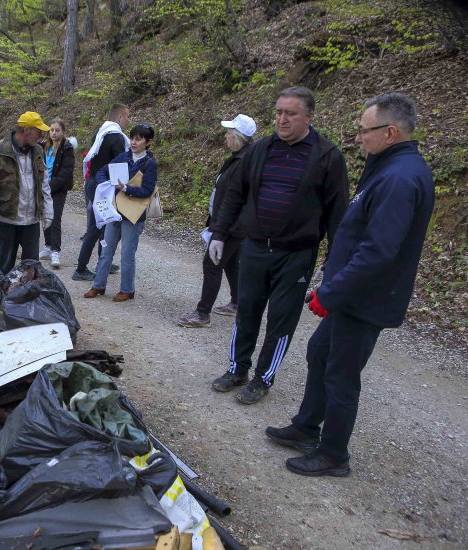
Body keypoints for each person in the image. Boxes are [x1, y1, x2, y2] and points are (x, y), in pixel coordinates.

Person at [265, 93, 434, 477]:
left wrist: (332, 292)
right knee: (319, 352)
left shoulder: (400, 178)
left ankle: (334, 453)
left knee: (341, 373)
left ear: (390, 132)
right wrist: (333, 281)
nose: (357, 137)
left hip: (365, 298)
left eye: (364, 130)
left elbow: (377, 251)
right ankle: (307, 426)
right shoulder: (387, 167)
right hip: (352, 293)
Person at [209, 86, 349, 404]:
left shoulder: (327, 157)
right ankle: (237, 369)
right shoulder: (260, 150)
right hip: (256, 247)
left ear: (309, 116)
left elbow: (337, 214)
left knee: (281, 319)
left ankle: (263, 378)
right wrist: (219, 232)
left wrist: (333, 262)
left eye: (290, 113)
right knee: (247, 312)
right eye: (278, 112)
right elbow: (235, 194)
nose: (282, 119)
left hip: (296, 254)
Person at [178, 114, 256, 328]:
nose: (226, 136)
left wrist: (223, 227)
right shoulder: (239, 158)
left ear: (238, 137)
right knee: (230, 262)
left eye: (229, 132)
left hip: (231, 226)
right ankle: (237, 302)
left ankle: (203, 314)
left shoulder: (243, 162)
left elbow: (237, 199)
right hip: (231, 224)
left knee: (211, 264)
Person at [83, 124, 157, 302]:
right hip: (115, 210)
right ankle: (98, 285)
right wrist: (105, 185)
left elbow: (147, 190)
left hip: (133, 214)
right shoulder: (122, 157)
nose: (133, 142)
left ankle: (127, 289)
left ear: (148, 142)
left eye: (138, 139)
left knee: (127, 253)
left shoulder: (149, 164)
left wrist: (126, 188)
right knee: (106, 249)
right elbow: (102, 171)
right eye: (132, 138)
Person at [0, 111, 54, 274]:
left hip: (31, 221)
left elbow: (44, 184)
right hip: (6, 219)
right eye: (39, 131)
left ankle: (28, 297)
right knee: (5, 265)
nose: (41, 135)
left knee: (32, 267)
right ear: (27, 130)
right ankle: (1, 295)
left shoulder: (37, 151)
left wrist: (48, 212)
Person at [72, 103, 130, 281]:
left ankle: (102, 262)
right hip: (103, 187)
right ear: (120, 117)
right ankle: (81, 269)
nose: (129, 120)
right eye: (127, 116)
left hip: (93, 183)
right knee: (97, 228)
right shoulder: (117, 138)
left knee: (104, 226)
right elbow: (119, 167)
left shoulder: (101, 132)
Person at [38, 118, 76, 269]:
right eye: (52, 130)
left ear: (63, 131)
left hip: (58, 189)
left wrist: (50, 186)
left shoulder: (67, 147)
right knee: (45, 216)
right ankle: (47, 246)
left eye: (57, 130)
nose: (54, 133)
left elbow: (66, 171)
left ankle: (55, 251)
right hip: (43, 187)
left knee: (55, 218)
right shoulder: (42, 146)